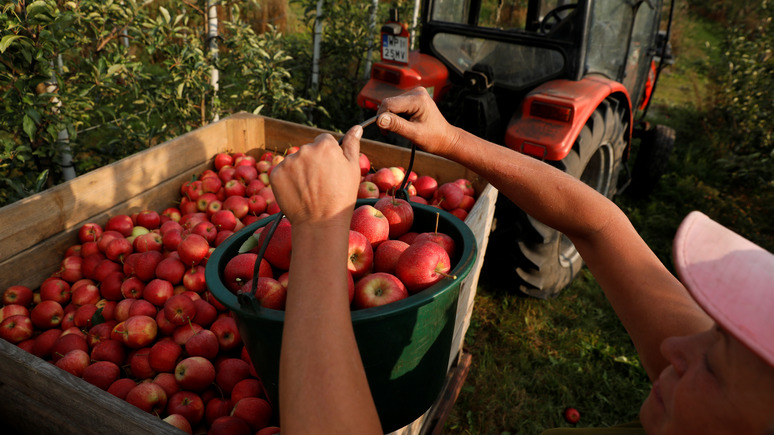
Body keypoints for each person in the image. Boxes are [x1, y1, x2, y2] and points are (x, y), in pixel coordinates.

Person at [269, 87, 774, 434]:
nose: (681, 345)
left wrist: (318, 227)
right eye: (712, 334)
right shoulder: (699, 384)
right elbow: (599, 226)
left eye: (712, 363)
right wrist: (451, 140)